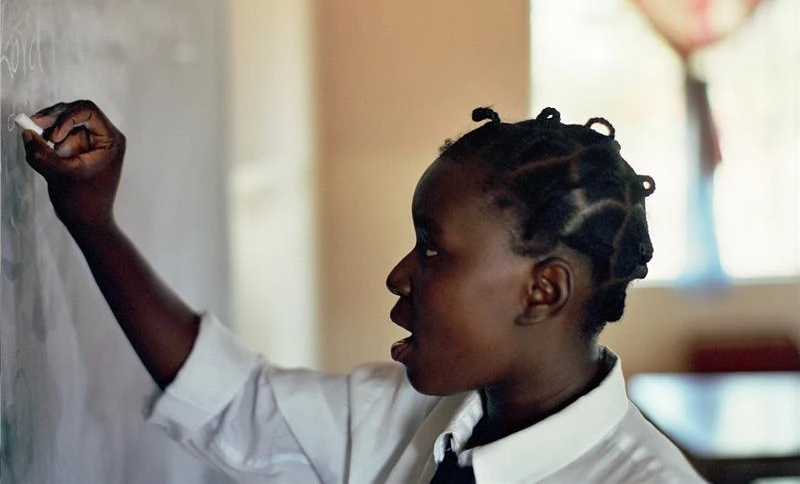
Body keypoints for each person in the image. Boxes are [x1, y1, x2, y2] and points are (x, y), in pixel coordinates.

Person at [21, 100, 706, 483]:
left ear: (542, 290)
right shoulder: (404, 416)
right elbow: (227, 396)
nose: (399, 275)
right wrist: (92, 221)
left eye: (432, 249)